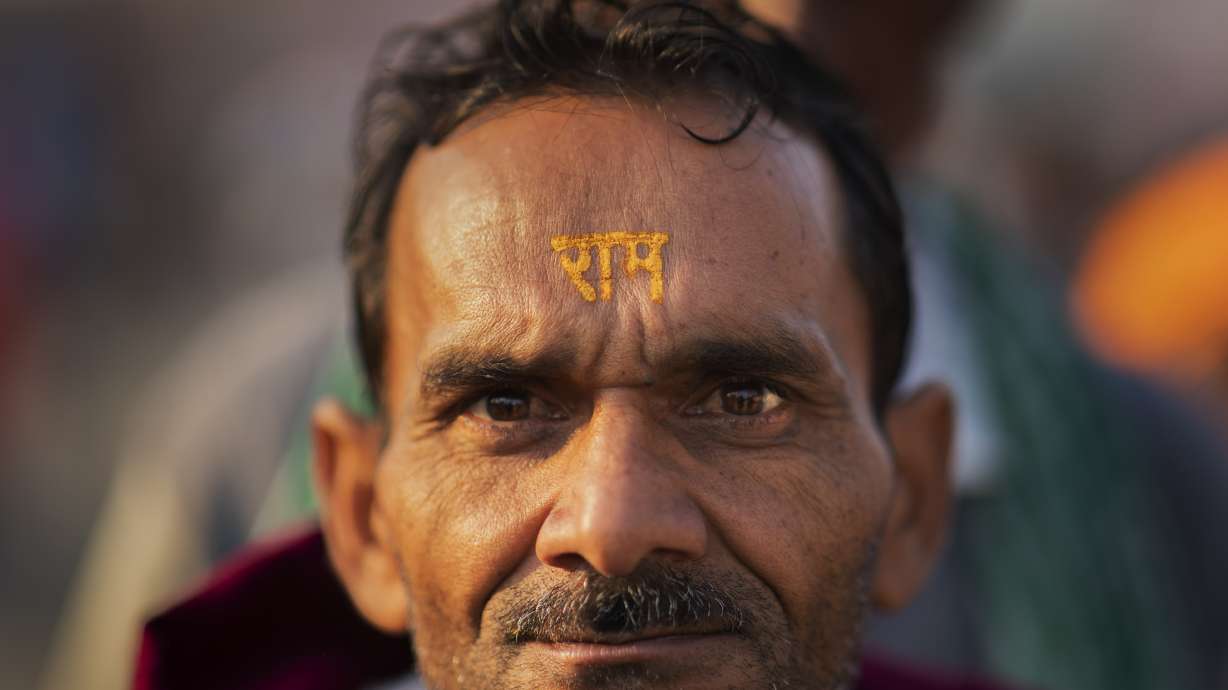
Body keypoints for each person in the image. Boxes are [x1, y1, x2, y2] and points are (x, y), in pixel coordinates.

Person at [133, 1, 1015, 689]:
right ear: (362, 517)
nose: (613, 525)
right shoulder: (236, 417)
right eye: (504, 406)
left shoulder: (1098, 432)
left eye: (744, 400)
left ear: (913, 497)